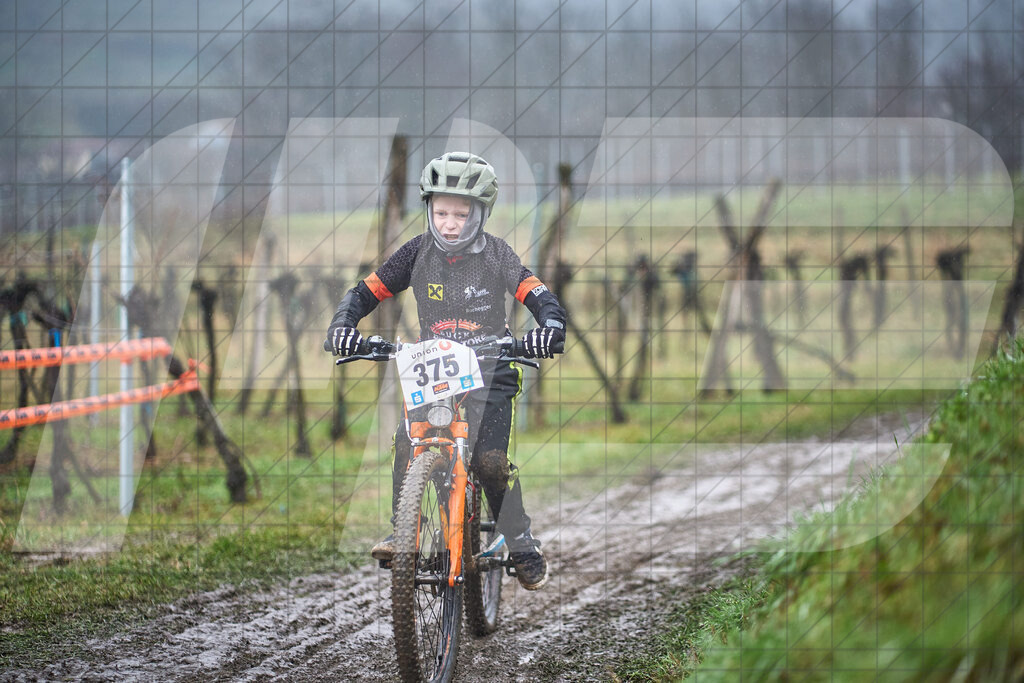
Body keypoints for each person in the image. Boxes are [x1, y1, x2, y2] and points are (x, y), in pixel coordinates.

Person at [326, 152, 566, 590]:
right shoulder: (416, 254)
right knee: (408, 442)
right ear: (429, 209)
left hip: (491, 369)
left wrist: (550, 324)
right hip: (433, 370)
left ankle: (521, 539)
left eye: (461, 213)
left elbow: (536, 293)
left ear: (480, 213)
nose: (450, 222)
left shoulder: (496, 255)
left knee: (490, 463)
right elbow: (366, 292)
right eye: (441, 212)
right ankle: (406, 533)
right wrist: (343, 324)